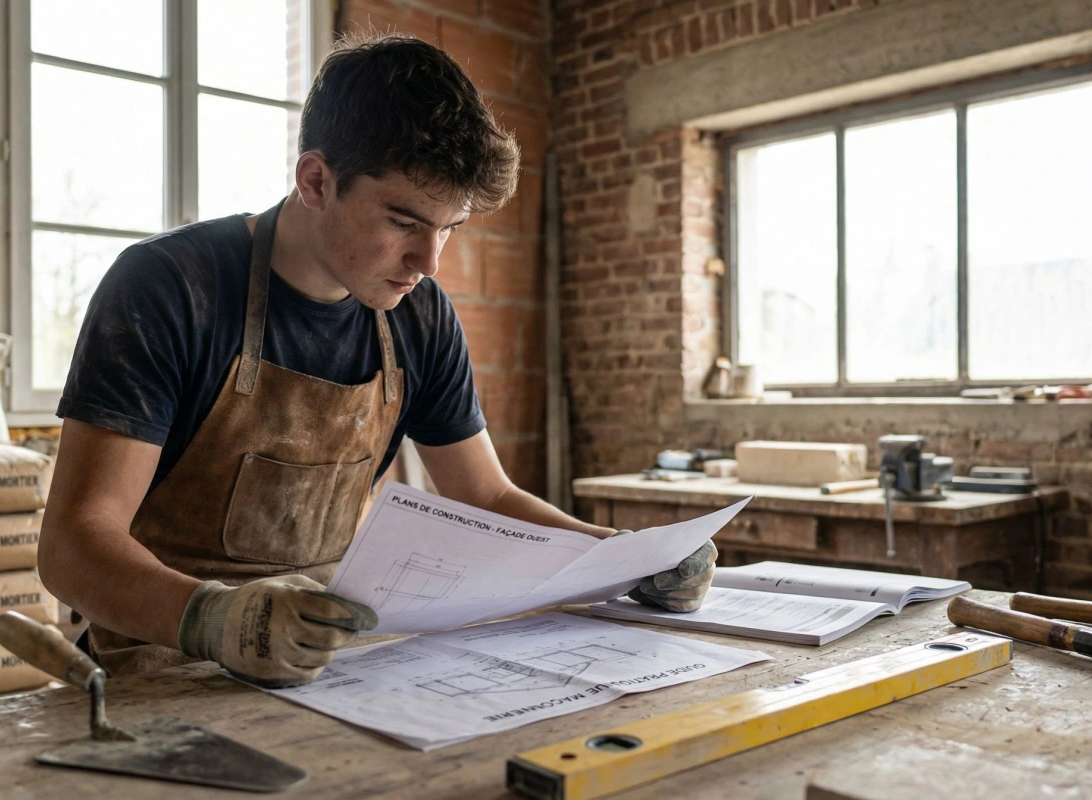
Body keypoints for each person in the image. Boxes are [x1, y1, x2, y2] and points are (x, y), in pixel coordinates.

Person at [37, 33, 717, 688]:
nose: (428, 263)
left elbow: (487, 495)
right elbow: (73, 544)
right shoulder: (168, 288)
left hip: (332, 662)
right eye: (403, 222)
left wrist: (622, 558)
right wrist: (215, 619)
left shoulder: (419, 317)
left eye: (448, 228)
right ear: (315, 180)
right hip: (162, 669)